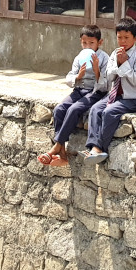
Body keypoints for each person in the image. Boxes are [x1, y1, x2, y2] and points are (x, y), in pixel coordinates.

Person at [39, 24, 109, 166]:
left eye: (91, 43)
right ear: (80, 42)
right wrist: (78, 76)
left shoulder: (104, 58)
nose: (88, 46)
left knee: (74, 109)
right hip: (79, 90)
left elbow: (106, 84)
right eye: (84, 43)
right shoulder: (79, 57)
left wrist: (96, 70)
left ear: (99, 43)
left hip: (95, 92)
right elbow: (69, 77)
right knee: (59, 109)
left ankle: (57, 147)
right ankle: (62, 152)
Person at [82, 18, 136, 163]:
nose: (123, 41)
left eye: (126, 38)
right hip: (113, 95)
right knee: (94, 109)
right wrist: (118, 62)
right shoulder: (114, 54)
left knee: (108, 112)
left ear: (135, 38)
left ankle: (100, 148)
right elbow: (110, 77)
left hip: (131, 98)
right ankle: (91, 146)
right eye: (119, 37)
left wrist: (124, 63)